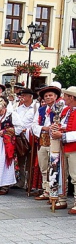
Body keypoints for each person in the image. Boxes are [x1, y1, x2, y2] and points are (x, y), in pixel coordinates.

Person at [31, 85, 61, 201]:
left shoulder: (60, 108)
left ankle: (55, 192)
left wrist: (53, 128)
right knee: (43, 167)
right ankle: (46, 190)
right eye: (46, 96)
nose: (48, 98)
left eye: (50, 95)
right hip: (43, 140)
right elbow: (34, 126)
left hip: (54, 141)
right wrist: (44, 128)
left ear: (56, 97)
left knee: (53, 167)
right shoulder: (41, 110)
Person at [51, 86, 76, 214]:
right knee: (62, 174)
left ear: (71, 97)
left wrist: (63, 135)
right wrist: (59, 128)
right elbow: (66, 125)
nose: (64, 98)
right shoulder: (68, 110)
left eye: (66, 96)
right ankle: (62, 198)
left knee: (75, 176)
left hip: (74, 147)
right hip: (64, 146)